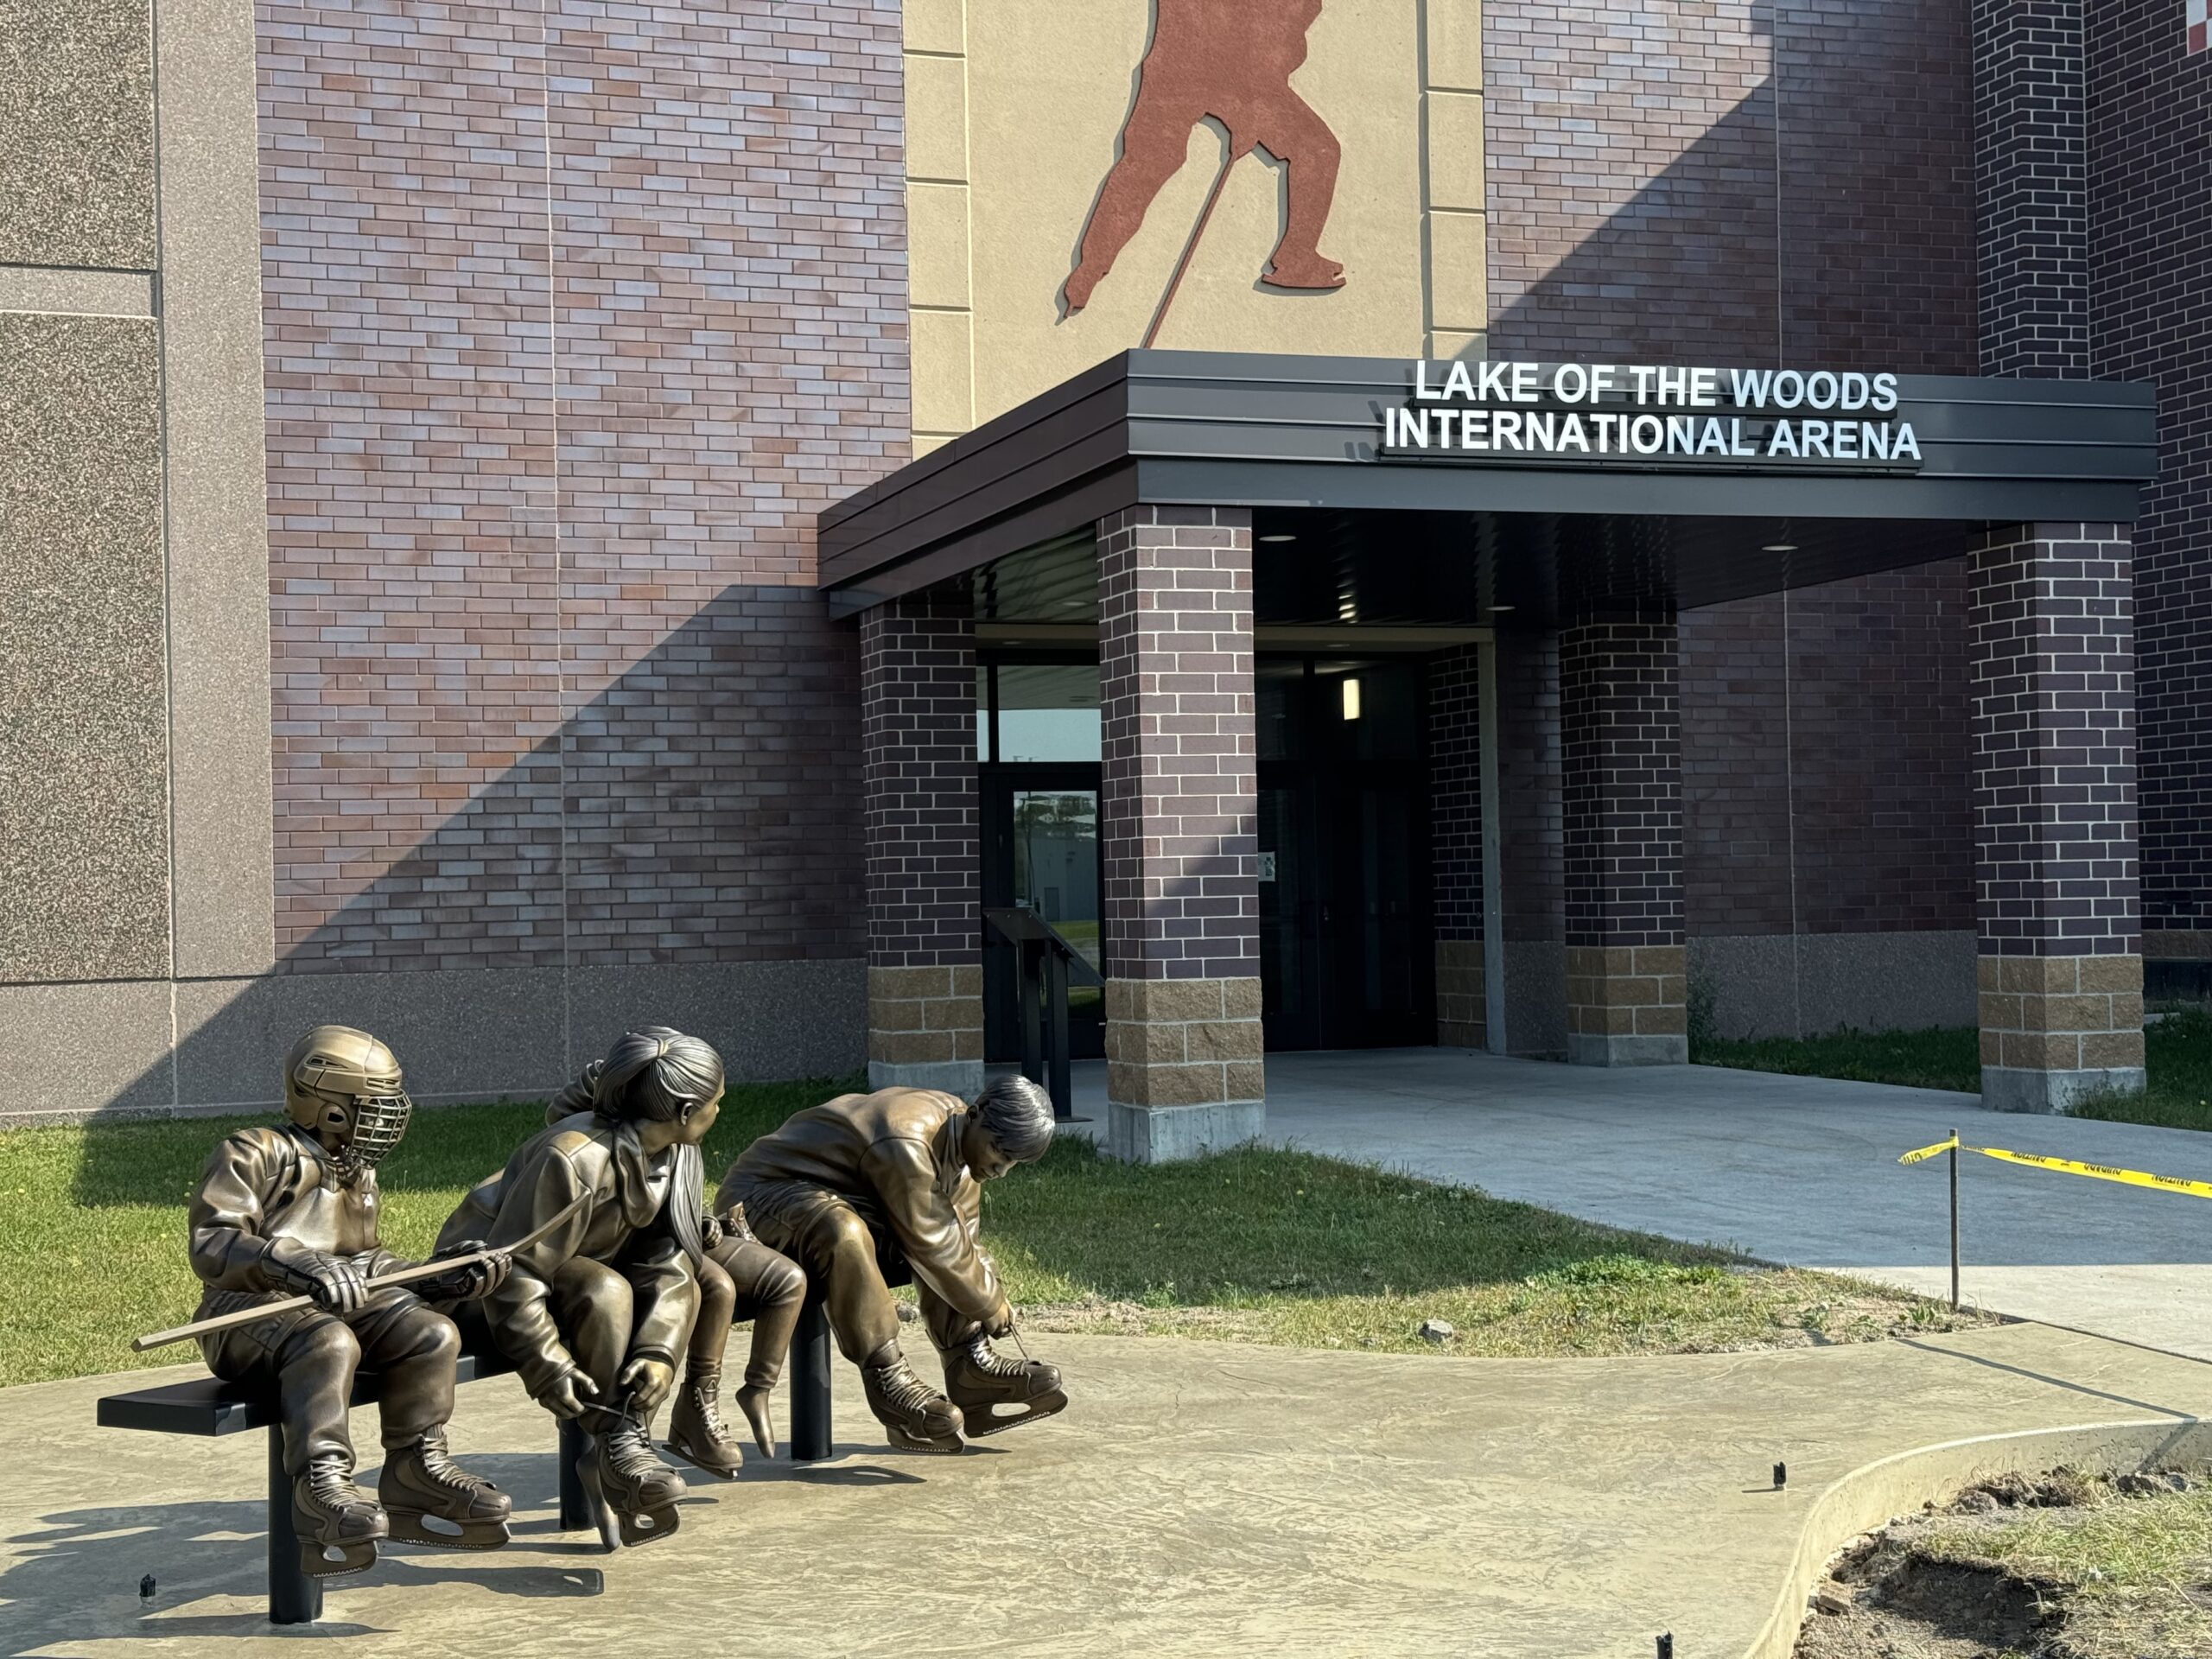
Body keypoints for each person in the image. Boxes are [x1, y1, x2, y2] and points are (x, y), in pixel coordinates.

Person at [188, 1026, 512, 1579]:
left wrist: (437, 1278)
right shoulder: (254, 1151)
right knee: (329, 1342)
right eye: (375, 1105)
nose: (389, 1116)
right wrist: (291, 1261)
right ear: (329, 1107)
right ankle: (321, 1489)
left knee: (431, 1333)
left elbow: (366, 1263)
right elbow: (212, 1242)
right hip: (244, 1312)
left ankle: (416, 1470)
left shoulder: (358, 1169)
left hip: (328, 1306)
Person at [436, 1027, 717, 1549]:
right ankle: (618, 1446)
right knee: (605, 1290)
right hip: (475, 1289)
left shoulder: (676, 1156)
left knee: (683, 1290)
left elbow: (671, 1257)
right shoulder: (573, 1157)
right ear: (682, 1110)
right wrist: (548, 1366)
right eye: (714, 1103)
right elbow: (514, 1271)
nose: (719, 1112)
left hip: (567, 1276)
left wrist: (658, 1354)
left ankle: (618, 1445)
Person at [717, 1074, 1064, 1455]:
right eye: (999, 1150)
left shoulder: (961, 1151)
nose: (1000, 1169)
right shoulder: (909, 1141)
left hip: (836, 1200)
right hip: (759, 1202)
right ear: (975, 1114)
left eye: (1013, 1162)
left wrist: (988, 1300)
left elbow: (962, 1239)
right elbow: (932, 1243)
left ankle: (969, 1366)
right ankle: (887, 1378)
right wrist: (989, 1303)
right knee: (847, 1232)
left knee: (938, 1235)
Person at [1064, 0, 1343, 312]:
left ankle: (1089, 269)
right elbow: (1274, 31)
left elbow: (1281, 28)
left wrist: (1254, 101)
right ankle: (1296, 259)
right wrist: (1251, 104)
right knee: (1317, 150)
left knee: (1146, 165)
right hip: (1223, 73)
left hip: (1191, 69)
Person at [664, 1204, 808, 1477]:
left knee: (789, 1280)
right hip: (640, 1234)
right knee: (718, 1289)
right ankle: (690, 1406)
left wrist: (701, 1217)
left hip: (684, 1229)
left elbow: (682, 1177)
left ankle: (757, 1389)